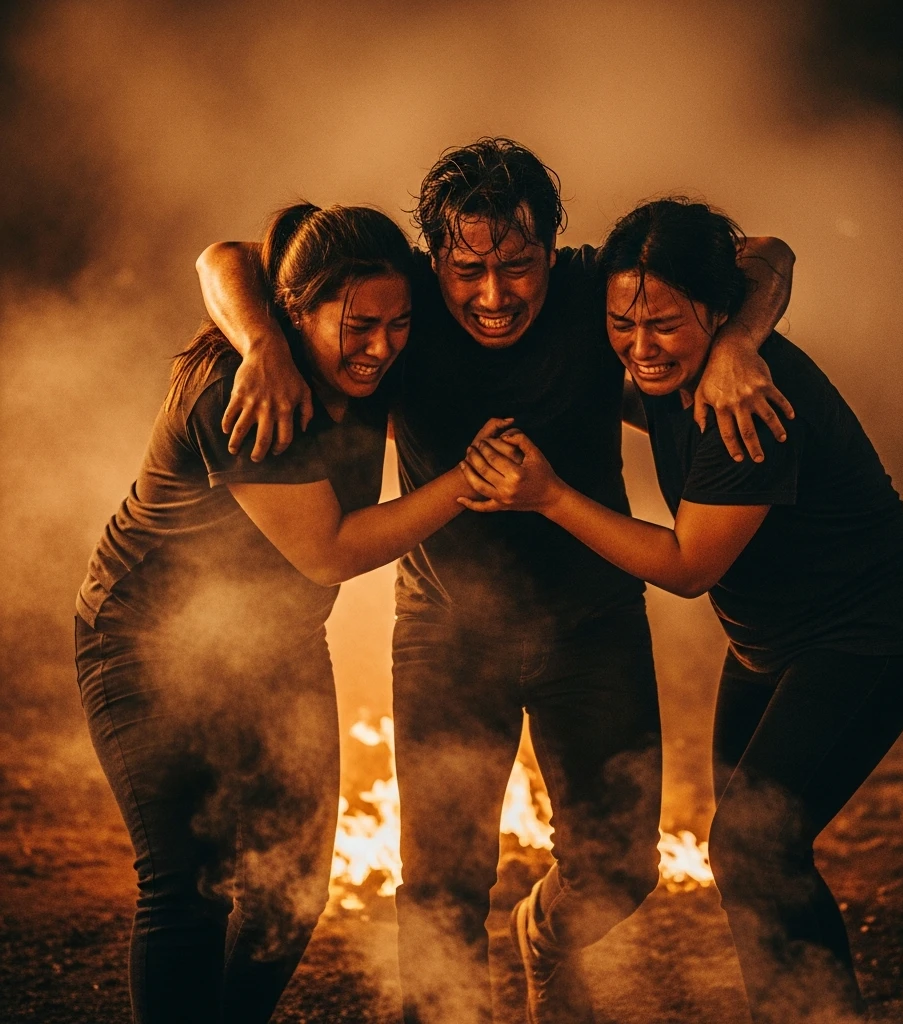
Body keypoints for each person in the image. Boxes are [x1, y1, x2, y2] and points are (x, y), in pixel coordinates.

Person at [195, 140, 796, 1024]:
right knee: (439, 883)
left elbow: (766, 257)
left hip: (592, 622)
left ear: (554, 251)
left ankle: (545, 940)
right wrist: (259, 344)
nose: (492, 295)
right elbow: (226, 259)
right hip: (445, 629)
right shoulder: (397, 295)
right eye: (467, 268)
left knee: (620, 866)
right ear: (432, 256)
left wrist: (742, 339)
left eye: (518, 267)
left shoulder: (600, 287)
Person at [459, 197, 903, 1024]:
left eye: (664, 326)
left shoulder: (744, 404)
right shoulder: (678, 367)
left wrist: (548, 497)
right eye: (621, 324)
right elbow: (769, 249)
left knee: (753, 848)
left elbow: (689, 567)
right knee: (760, 856)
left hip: (867, 636)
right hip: (767, 644)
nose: (639, 347)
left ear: (715, 311)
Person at [74, 202, 506, 1024]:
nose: (382, 347)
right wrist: (467, 479)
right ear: (295, 306)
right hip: (142, 643)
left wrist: (268, 334)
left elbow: (226, 252)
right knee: (188, 886)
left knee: (294, 892)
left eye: (399, 324)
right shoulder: (238, 400)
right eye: (358, 326)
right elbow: (331, 553)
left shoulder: (368, 344)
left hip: (280, 644)